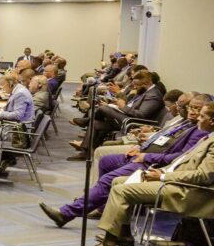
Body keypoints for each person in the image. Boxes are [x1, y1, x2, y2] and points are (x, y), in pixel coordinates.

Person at [40, 94, 210, 227]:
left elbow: (179, 158)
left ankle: (66, 213)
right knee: (105, 161)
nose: (192, 112)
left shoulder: (200, 131)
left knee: (109, 179)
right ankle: (101, 205)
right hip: (146, 154)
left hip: (155, 165)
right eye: (191, 107)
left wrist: (146, 156)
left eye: (198, 110)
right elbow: (165, 140)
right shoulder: (187, 123)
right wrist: (142, 147)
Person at [82, 103, 214, 246]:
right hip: (173, 179)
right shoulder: (207, 136)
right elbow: (182, 163)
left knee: (121, 190)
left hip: (187, 190)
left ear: (212, 121)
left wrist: (163, 176)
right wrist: (162, 172)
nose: (198, 118)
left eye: (202, 116)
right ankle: (124, 234)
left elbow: (203, 176)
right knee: (118, 181)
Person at [72, 70, 164, 156]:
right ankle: (85, 151)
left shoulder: (153, 95)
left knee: (104, 108)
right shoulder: (146, 91)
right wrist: (121, 105)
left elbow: (141, 115)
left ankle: (87, 121)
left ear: (147, 83)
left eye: (137, 85)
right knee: (95, 123)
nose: (135, 87)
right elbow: (133, 105)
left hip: (133, 123)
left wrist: (123, 107)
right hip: (127, 116)